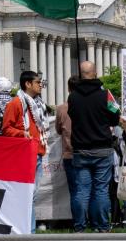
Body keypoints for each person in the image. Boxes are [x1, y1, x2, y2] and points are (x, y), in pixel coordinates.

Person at [68, 61, 120, 233]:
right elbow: (115, 118)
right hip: (102, 148)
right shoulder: (106, 95)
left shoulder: (72, 96)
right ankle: (102, 226)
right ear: (95, 73)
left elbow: (72, 115)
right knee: (101, 190)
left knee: (82, 191)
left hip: (81, 149)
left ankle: (80, 226)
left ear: (81, 74)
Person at [1, 70, 48, 233]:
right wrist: (22, 134)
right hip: (25, 154)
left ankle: (28, 230)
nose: (41, 84)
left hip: (37, 153)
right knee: (27, 196)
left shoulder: (38, 104)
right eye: (38, 82)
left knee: (30, 196)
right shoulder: (15, 103)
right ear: (28, 84)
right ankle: (29, 231)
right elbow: (6, 128)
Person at [55, 75, 80, 221]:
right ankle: (94, 221)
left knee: (75, 191)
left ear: (69, 88)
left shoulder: (61, 108)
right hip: (86, 151)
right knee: (91, 189)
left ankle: (78, 222)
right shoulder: (87, 104)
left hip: (69, 153)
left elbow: (58, 130)